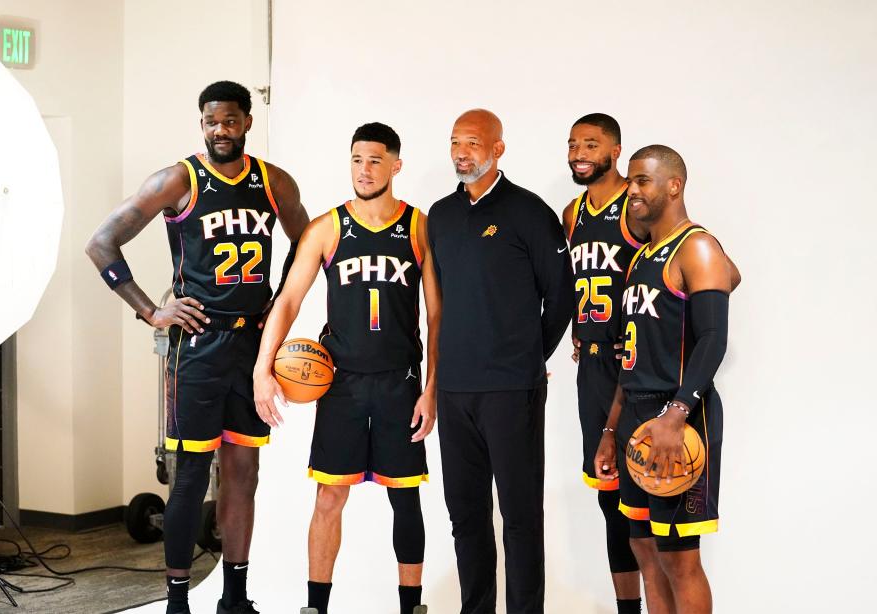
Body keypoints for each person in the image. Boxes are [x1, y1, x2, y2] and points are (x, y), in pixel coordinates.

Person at [85, 81, 309, 614]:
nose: (220, 131)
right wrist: (151, 310)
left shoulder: (273, 182)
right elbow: (100, 243)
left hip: (253, 346)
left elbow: (308, 246)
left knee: (243, 473)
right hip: (199, 346)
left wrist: (278, 309)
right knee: (189, 474)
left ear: (248, 122)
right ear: (201, 123)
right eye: (211, 122)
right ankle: (178, 601)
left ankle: (234, 597)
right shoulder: (177, 180)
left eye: (230, 121)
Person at [252, 122, 439, 614]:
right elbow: (289, 299)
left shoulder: (418, 227)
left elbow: (437, 314)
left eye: (375, 160)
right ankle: (315, 606)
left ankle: (411, 607)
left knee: (406, 498)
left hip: (401, 382)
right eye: (357, 159)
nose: (364, 169)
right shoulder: (328, 227)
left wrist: (432, 389)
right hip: (342, 386)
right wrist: (261, 369)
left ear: (396, 166)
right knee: (329, 497)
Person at [427, 109, 574, 613]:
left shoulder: (529, 212)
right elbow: (439, 304)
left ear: (498, 148)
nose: (462, 152)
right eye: (455, 143)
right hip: (455, 389)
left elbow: (561, 296)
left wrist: (531, 355)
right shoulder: (441, 216)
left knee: (519, 515)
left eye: (472, 142)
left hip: (513, 389)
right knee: (465, 514)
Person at [595, 145, 736, 614]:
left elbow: (713, 339)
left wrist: (677, 413)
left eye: (642, 181)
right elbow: (629, 357)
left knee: (679, 559)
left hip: (680, 414)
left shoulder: (695, 246)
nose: (631, 190)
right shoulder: (642, 258)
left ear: (673, 185)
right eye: (630, 181)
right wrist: (611, 430)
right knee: (646, 553)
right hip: (636, 413)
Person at [562, 113, 648, 614]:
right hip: (592, 367)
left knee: (646, 496)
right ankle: (627, 609)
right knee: (609, 495)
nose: (578, 153)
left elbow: (676, 261)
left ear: (615, 150)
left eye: (590, 144)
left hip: (635, 366)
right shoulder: (572, 213)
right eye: (573, 144)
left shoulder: (636, 207)